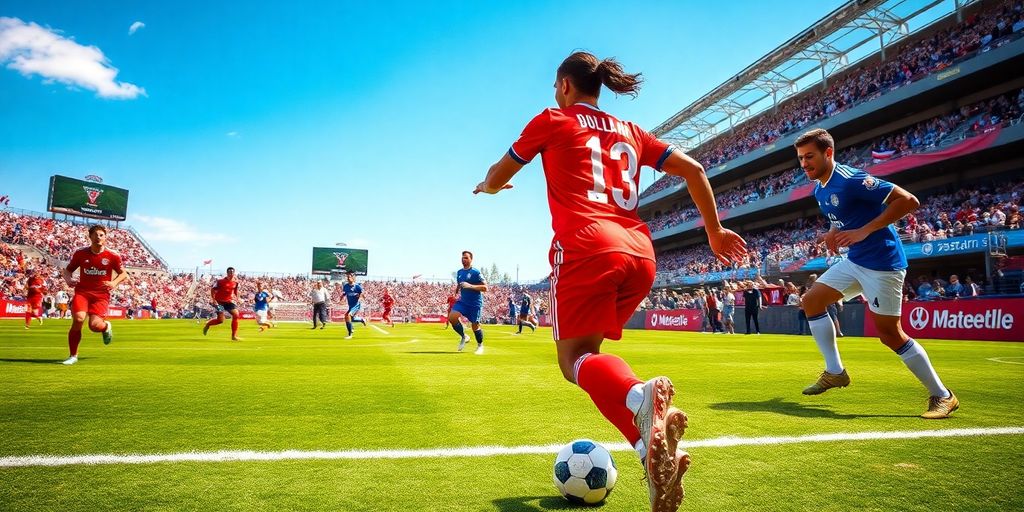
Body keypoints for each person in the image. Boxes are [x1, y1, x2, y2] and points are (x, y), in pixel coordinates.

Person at [474, 51, 746, 512]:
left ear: (563, 86)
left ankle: (641, 394)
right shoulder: (632, 131)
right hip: (640, 252)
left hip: (585, 247)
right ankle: (654, 454)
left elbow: (501, 172)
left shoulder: (552, 120)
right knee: (593, 361)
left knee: (574, 361)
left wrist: (489, 187)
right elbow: (695, 170)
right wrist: (715, 231)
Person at [794, 128, 957, 419]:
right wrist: (832, 233)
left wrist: (865, 230)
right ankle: (835, 372)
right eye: (800, 158)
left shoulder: (851, 179)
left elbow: (908, 201)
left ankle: (943, 396)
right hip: (856, 261)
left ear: (828, 153)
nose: (804, 163)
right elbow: (840, 217)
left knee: (889, 334)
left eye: (810, 157)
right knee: (812, 301)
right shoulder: (820, 187)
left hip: (883, 264)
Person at [61, 224, 127, 365]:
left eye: (101, 235)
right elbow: (67, 271)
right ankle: (73, 356)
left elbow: (123, 274)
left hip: (101, 295)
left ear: (105, 237)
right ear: (90, 236)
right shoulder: (80, 254)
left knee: (95, 326)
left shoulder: (113, 255)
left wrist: (114, 283)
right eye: (96, 234)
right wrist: (68, 279)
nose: (98, 237)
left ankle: (105, 327)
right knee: (78, 319)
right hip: (82, 292)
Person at [448, 251, 487, 354]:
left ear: (471, 259)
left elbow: (485, 288)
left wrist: (470, 286)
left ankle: (480, 346)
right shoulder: (459, 272)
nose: (463, 259)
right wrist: (456, 292)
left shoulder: (476, 272)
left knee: (475, 325)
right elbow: (459, 284)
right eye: (462, 257)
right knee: (452, 317)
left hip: (475, 303)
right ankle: (464, 336)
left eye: (466, 258)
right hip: (463, 302)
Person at [203, 267, 243, 341]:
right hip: (220, 303)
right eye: (230, 272)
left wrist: (238, 298)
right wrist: (214, 300)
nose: (231, 273)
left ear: (234, 273)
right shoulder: (220, 281)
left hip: (229, 302)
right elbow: (212, 290)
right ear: (227, 273)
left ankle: (234, 336)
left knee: (236, 314)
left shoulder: (235, 283)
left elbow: (236, 292)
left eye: (232, 272)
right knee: (220, 320)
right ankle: (208, 324)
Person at [342, 272, 367, 339]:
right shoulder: (346, 286)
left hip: (356, 305)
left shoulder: (357, 286)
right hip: (351, 305)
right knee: (350, 318)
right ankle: (362, 320)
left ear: (353, 278)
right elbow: (344, 293)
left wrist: (361, 296)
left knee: (348, 315)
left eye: (349, 277)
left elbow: (362, 293)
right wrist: (341, 297)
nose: (348, 278)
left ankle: (350, 334)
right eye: (347, 277)